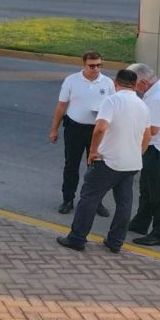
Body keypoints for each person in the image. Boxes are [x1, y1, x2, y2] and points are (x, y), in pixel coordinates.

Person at [57, 69, 150, 253]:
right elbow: (147, 135)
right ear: (135, 84)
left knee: (89, 198)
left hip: (108, 161)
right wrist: (138, 152)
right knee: (124, 203)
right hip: (131, 163)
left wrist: (93, 151)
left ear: (116, 83)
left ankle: (77, 238)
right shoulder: (142, 105)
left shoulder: (112, 101)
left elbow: (100, 129)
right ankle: (115, 242)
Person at [49, 51, 114, 217]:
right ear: (83, 65)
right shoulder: (72, 81)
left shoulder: (107, 83)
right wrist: (54, 129)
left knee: (96, 168)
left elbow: (114, 108)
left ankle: (95, 202)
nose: (96, 69)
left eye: (99, 65)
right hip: (75, 129)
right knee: (71, 165)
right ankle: (68, 199)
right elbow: (61, 106)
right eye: (92, 66)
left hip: (97, 131)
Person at [127, 63, 160, 247]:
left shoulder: (156, 98)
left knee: (158, 192)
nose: (133, 89)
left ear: (142, 82)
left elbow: (153, 129)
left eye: (134, 85)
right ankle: (140, 223)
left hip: (157, 149)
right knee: (147, 188)